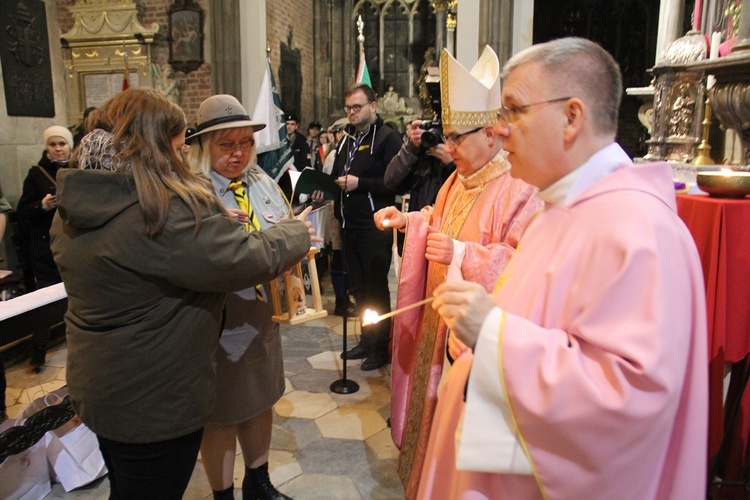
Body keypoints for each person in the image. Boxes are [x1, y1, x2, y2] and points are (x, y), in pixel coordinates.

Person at [419, 37, 708, 499]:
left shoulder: (638, 231)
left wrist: (491, 332)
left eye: (513, 110)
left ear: (572, 117)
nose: (501, 130)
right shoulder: (559, 208)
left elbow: (626, 400)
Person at [50, 88, 313, 499]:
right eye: (174, 149)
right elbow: (239, 257)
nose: (177, 159)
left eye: (246, 143)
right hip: (154, 393)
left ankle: (257, 480)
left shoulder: (83, 198)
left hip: (108, 383)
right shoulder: (162, 210)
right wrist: (295, 231)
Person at [373, 46, 541, 497]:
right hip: (438, 328)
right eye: (444, 137)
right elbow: (439, 219)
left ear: (490, 133)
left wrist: (463, 254)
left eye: (455, 138)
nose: (448, 149)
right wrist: (409, 221)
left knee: (459, 459)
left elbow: (524, 265)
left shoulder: (521, 186)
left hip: (476, 350)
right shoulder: (458, 177)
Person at [186, 94, 298, 500]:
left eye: (245, 143)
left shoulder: (262, 183)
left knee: (260, 398)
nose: (239, 153)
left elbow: (283, 233)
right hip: (216, 319)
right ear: (203, 146)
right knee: (220, 414)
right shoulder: (191, 193)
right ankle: (222, 494)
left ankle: (259, 480)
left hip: (262, 316)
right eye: (226, 144)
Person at [331, 82, 402, 370]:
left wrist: (360, 184)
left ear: (373, 107)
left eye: (357, 106)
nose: (351, 112)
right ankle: (365, 339)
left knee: (375, 288)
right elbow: (338, 173)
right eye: (348, 107)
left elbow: (394, 181)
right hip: (350, 226)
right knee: (358, 288)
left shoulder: (387, 138)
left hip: (375, 227)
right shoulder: (347, 140)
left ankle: (380, 345)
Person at [17, 125, 74, 290]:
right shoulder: (36, 174)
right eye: (52, 144)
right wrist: (42, 205)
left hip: (71, 240)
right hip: (46, 245)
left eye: (62, 144)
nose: (57, 148)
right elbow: (23, 211)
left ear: (69, 146)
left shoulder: (76, 169)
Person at [384, 118, 456, 212]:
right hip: (420, 220)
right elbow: (391, 181)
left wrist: (452, 164)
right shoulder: (423, 153)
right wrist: (411, 148)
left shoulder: (466, 151)